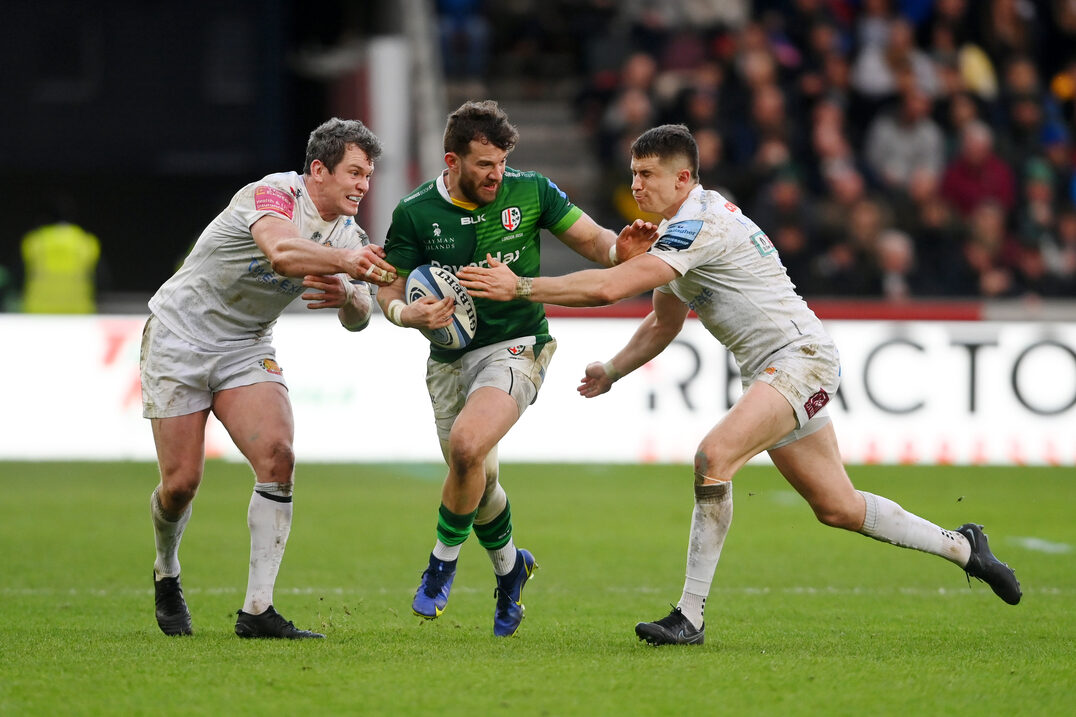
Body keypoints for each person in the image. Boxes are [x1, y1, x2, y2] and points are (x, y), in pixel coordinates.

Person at [459, 124, 1022, 646]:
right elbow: (663, 321)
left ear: (683, 177)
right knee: (838, 507)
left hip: (800, 360)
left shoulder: (697, 226)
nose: (636, 185)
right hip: (777, 367)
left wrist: (521, 286)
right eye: (632, 173)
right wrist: (613, 369)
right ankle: (964, 547)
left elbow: (611, 288)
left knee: (714, 457)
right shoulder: (675, 232)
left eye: (647, 174)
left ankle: (690, 615)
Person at [376, 100, 656, 637]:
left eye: (502, 162)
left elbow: (595, 241)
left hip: (518, 346)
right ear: (452, 161)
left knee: (467, 447)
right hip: (448, 360)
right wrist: (406, 313)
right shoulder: (414, 212)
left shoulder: (532, 192)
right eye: (485, 164)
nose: (497, 174)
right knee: (477, 480)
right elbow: (389, 285)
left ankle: (440, 566)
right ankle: (510, 570)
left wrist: (620, 250)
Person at [142, 118, 397, 639]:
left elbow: (358, 316)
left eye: (369, 175)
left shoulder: (350, 234)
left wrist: (347, 296)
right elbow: (281, 253)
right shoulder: (273, 193)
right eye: (354, 172)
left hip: (246, 345)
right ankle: (166, 569)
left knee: (278, 457)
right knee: (181, 484)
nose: (363, 185)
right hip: (178, 336)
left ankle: (258, 610)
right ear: (319, 170)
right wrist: (346, 263)